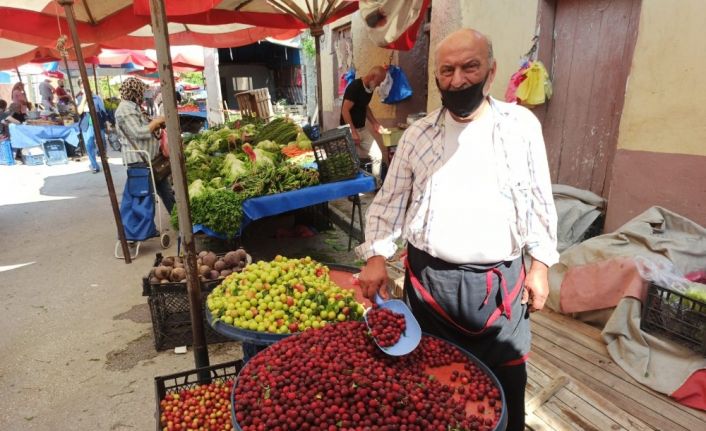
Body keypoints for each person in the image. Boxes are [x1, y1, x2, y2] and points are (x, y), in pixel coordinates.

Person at [356, 29, 559, 431]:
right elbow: (390, 202)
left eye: (470, 67)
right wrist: (377, 256)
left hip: (503, 287)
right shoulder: (418, 135)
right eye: (446, 70)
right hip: (432, 285)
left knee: (504, 391)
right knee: (434, 393)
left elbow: (539, 200)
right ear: (436, 77)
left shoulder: (521, 127)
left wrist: (541, 265)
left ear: (491, 70)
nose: (457, 79)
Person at [114, 77, 174, 213]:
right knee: (147, 199)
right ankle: (146, 229)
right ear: (135, 92)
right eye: (141, 92)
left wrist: (157, 123)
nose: (143, 95)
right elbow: (139, 132)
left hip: (151, 160)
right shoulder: (125, 110)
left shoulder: (135, 107)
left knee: (167, 193)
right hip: (139, 162)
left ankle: (179, 220)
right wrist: (157, 121)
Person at [339, 66, 388, 178]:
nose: (379, 85)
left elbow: (365, 106)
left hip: (362, 129)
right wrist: (352, 131)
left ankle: (375, 184)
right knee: (351, 163)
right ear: (372, 77)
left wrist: (375, 123)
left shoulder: (369, 89)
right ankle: (353, 192)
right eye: (379, 82)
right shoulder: (355, 87)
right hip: (348, 130)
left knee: (377, 156)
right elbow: (345, 110)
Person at [77, 79, 108, 173]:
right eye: (82, 87)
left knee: (102, 142)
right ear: (80, 88)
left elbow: (103, 112)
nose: (85, 89)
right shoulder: (79, 98)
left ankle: (103, 159)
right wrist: (84, 99)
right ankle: (94, 165)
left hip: (98, 122)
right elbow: (79, 111)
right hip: (86, 123)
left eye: (86, 86)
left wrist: (107, 124)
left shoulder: (96, 98)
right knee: (89, 145)